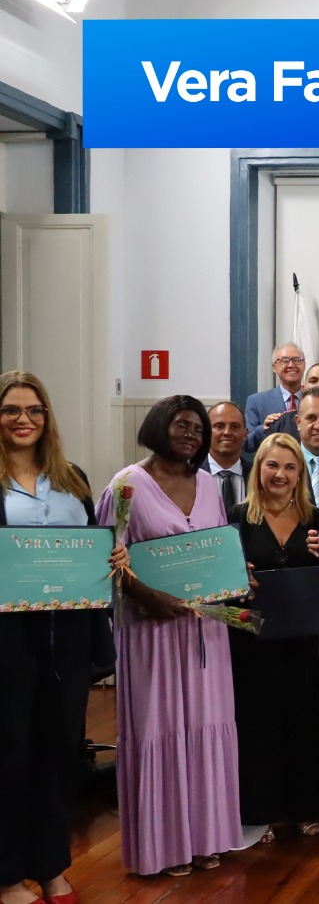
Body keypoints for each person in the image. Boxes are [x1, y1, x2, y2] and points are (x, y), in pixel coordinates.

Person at [98, 395, 243, 876]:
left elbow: (218, 550)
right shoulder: (125, 487)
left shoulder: (207, 483)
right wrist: (147, 595)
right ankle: (162, 848)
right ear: (159, 425)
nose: (192, 435)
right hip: (152, 632)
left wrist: (238, 579)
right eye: (183, 425)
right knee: (161, 729)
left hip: (206, 630)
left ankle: (207, 838)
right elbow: (106, 561)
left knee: (207, 725)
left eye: (198, 429)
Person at [0, 371, 118, 904]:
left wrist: (111, 557)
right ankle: (6, 875)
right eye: (11, 410)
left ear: (47, 418)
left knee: (59, 751)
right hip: (10, 638)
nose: (23, 419)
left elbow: (92, 542)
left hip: (68, 635)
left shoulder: (72, 478)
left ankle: (50, 866)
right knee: (10, 754)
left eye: (34, 410)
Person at [226, 433, 319, 844]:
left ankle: (307, 806)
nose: (281, 474)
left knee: (306, 722)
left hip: (304, 640)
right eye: (273, 465)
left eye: (291, 467)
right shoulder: (238, 516)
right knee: (259, 725)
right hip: (252, 641)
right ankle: (263, 810)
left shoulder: (316, 518)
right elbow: (224, 578)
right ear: (259, 469)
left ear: (300, 474)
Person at [244, 342, 305, 450]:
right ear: (274, 367)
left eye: (297, 360)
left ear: (304, 364)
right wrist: (264, 428)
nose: (291, 365)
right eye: (284, 361)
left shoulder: (315, 400)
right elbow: (247, 444)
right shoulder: (257, 402)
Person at [201, 401, 252, 509]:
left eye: (234, 426)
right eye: (219, 426)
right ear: (206, 432)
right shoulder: (190, 475)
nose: (227, 432)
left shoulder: (258, 475)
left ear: (245, 434)